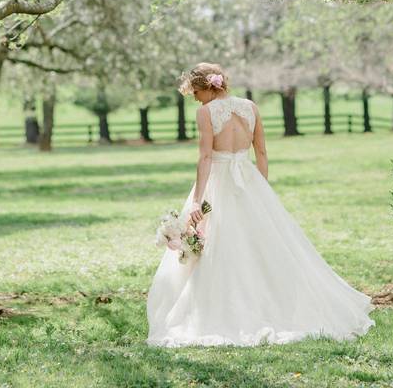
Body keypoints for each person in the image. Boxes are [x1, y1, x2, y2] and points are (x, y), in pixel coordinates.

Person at [145, 62, 375, 346]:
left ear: (206, 87)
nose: (194, 98)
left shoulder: (205, 113)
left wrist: (197, 200)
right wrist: (260, 189)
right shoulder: (250, 107)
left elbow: (206, 157)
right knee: (262, 243)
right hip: (249, 179)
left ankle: (220, 311)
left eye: (194, 92)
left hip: (219, 180)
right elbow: (262, 151)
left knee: (219, 244)